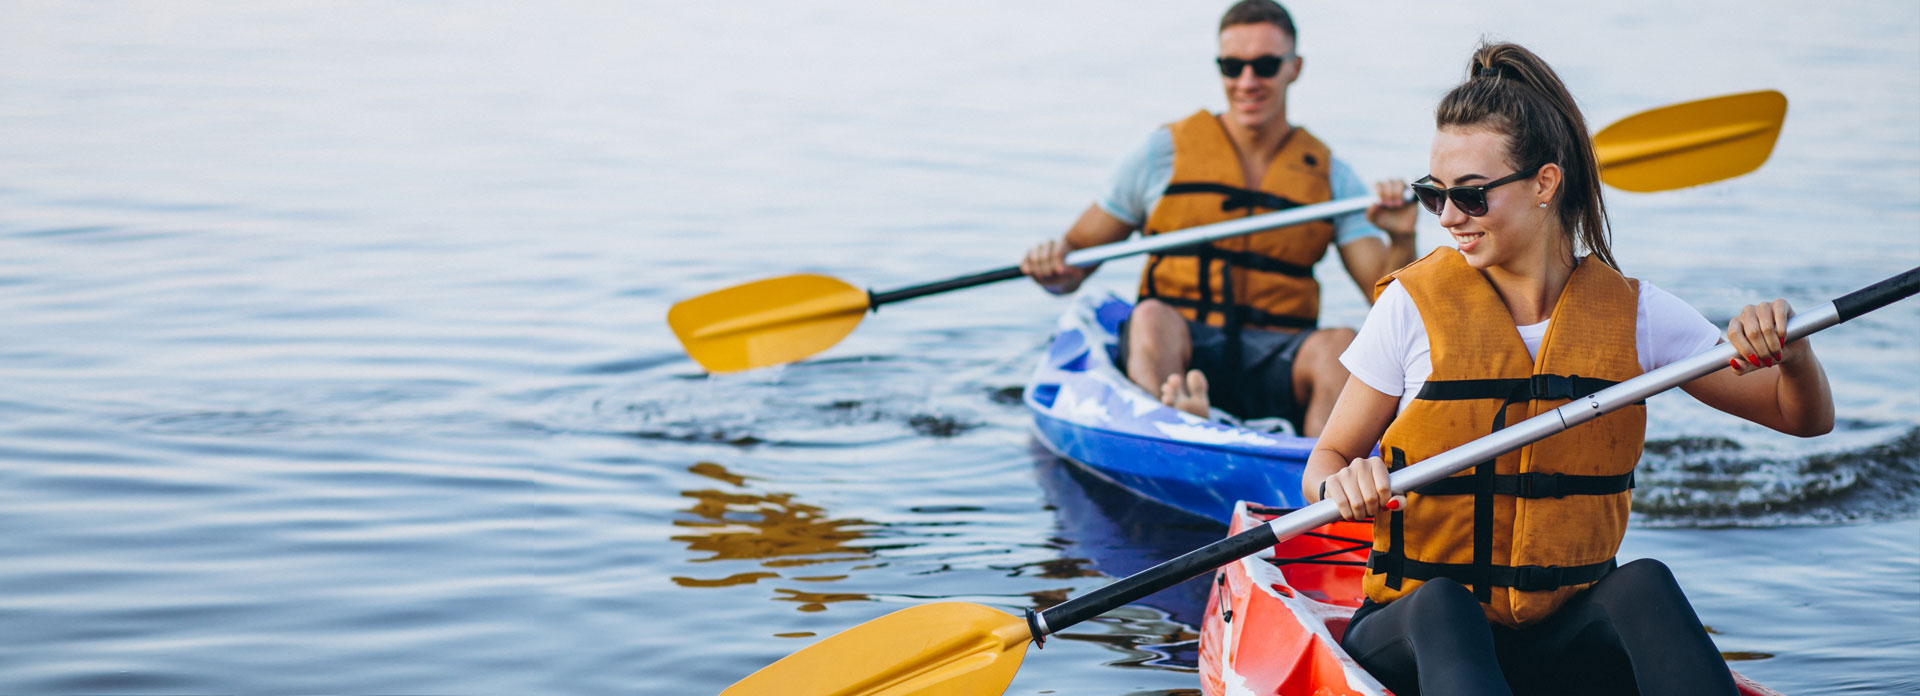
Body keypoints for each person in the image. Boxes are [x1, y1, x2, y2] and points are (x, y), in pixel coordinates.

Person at [1304, 42, 1835, 695]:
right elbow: (1325, 459)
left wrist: (1795, 352)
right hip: (1415, 634)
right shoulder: (1410, 308)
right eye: (1432, 195)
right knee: (1447, 603)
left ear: (1545, 185)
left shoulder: (1634, 315)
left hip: (1557, 640)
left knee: (1643, 584)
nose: (1446, 218)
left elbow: (1800, 418)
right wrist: (1342, 485)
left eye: (1469, 197)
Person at [1019, 0, 1418, 437]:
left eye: (1265, 65)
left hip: (1277, 357)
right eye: (1232, 66)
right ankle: (1173, 427)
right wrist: (1052, 265)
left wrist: (1400, 238)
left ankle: (1319, 478)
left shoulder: (1330, 177)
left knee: (1340, 345)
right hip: (1183, 348)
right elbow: (1073, 265)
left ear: (1294, 68)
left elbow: (1388, 310)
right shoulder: (1160, 155)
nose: (1247, 82)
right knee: (1150, 317)